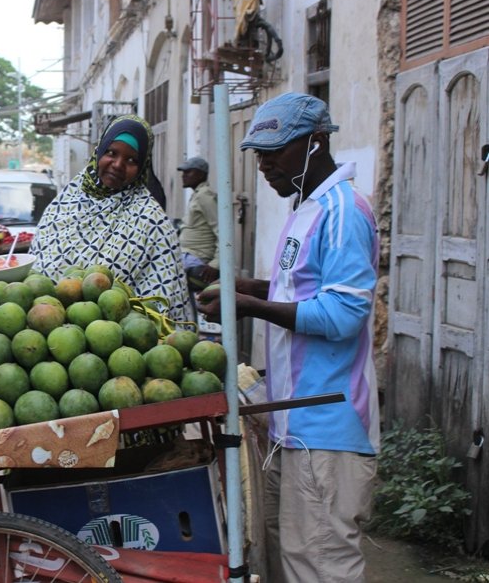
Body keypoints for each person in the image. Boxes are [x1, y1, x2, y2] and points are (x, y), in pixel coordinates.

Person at [197, 93, 379, 583]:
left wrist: (251, 306)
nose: (264, 165)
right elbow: (299, 289)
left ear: (316, 143)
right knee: (288, 565)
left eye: (275, 151)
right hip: (292, 427)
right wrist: (243, 284)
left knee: (320, 567)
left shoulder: (343, 210)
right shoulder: (308, 208)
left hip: (326, 428)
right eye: (259, 154)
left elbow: (343, 313)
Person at [29, 114, 191, 320]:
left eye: (131, 160)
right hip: (44, 329)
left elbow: (165, 301)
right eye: (111, 153)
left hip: (116, 345)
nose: (117, 164)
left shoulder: (152, 222)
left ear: (142, 167)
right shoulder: (65, 203)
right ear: (99, 151)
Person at [176, 156, 220, 290]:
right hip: (187, 254)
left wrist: (216, 264)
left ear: (201, 174)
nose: (184, 176)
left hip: (195, 257)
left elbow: (222, 230)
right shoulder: (197, 194)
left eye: (188, 172)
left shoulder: (205, 196)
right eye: (183, 172)